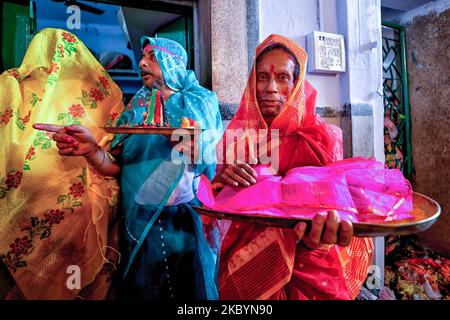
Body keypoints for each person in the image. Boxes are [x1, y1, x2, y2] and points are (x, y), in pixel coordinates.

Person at [34, 34, 223, 300]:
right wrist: (91, 150)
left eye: (152, 57)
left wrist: (184, 139)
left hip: (183, 221)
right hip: (138, 223)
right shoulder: (137, 106)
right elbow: (119, 165)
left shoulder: (198, 100)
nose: (142, 63)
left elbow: (208, 156)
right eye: (142, 57)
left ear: (173, 63)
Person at [201, 34, 378, 300]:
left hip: (310, 269)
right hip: (247, 271)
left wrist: (313, 238)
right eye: (262, 77)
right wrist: (220, 177)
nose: (270, 87)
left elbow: (340, 210)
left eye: (282, 78)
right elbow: (211, 203)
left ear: (296, 85)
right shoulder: (239, 139)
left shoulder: (320, 140)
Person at [0, 28, 122, 299]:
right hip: (76, 214)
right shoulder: (103, 95)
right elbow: (116, 164)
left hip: (44, 212)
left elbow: (118, 162)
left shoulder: (13, 89)